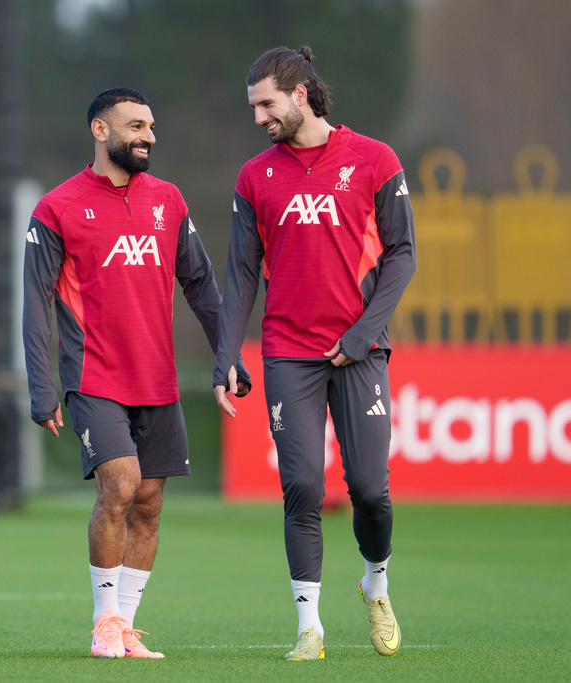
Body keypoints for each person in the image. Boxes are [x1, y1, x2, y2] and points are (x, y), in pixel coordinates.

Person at [23, 87, 250, 659]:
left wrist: (228, 356)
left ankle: (125, 625)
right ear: (100, 131)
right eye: (135, 126)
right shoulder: (56, 208)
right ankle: (103, 623)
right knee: (121, 484)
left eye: (150, 126)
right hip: (93, 377)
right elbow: (35, 304)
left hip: (158, 380)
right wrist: (42, 386)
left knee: (148, 503)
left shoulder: (168, 200)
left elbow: (201, 286)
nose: (148, 136)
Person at [213, 46, 416, 661]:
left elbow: (403, 255)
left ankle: (375, 584)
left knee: (370, 491)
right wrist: (227, 352)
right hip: (288, 352)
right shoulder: (255, 177)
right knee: (301, 486)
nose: (259, 118)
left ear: (300, 94)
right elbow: (241, 272)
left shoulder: (375, 160)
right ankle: (310, 629)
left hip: (361, 352)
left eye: (267, 104)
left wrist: (362, 334)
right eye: (253, 107)